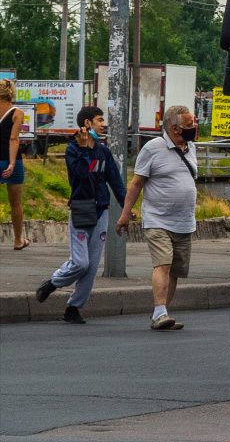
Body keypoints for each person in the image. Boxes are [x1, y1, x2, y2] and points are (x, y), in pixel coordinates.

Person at [34, 108, 128, 323]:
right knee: (80, 263)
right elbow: (81, 176)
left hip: (101, 212)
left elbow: (115, 181)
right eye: (100, 120)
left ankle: (73, 308)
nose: (103, 124)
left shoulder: (104, 152)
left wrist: (126, 207)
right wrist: (85, 148)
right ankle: (52, 283)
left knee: (92, 266)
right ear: (87, 122)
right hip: (80, 210)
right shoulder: (72, 149)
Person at [117, 105, 198, 331]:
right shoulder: (153, 149)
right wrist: (125, 214)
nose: (194, 128)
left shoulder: (191, 147)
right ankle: (160, 312)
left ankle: (160, 315)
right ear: (175, 128)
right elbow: (136, 183)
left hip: (184, 222)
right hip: (157, 221)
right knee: (163, 263)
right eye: (190, 125)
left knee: (175, 271)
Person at [0, 79, 30, 250]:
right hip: (13, 161)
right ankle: (18, 240)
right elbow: (13, 138)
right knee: (16, 203)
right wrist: (11, 164)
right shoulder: (17, 112)